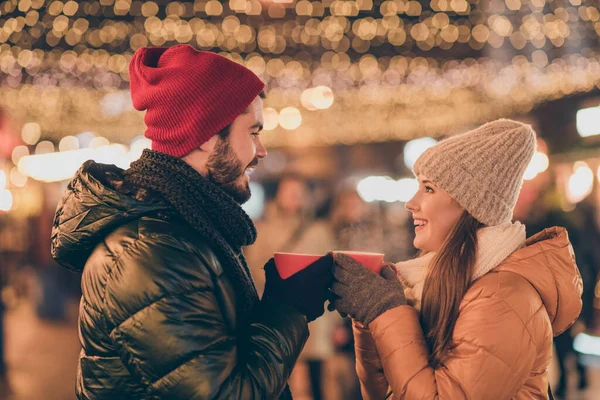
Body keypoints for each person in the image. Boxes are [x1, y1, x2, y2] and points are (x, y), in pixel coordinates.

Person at [50, 44, 332, 399]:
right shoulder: (150, 252)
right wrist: (288, 311)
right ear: (206, 137)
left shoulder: (187, 229)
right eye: (253, 133)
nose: (261, 151)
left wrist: (277, 301)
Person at [329, 119, 583, 399]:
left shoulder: (501, 297)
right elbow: (390, 393)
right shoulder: (434, 281)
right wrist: (370, 320)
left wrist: (386, 312)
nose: (410, 203)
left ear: (471, 204)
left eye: (428, 188)